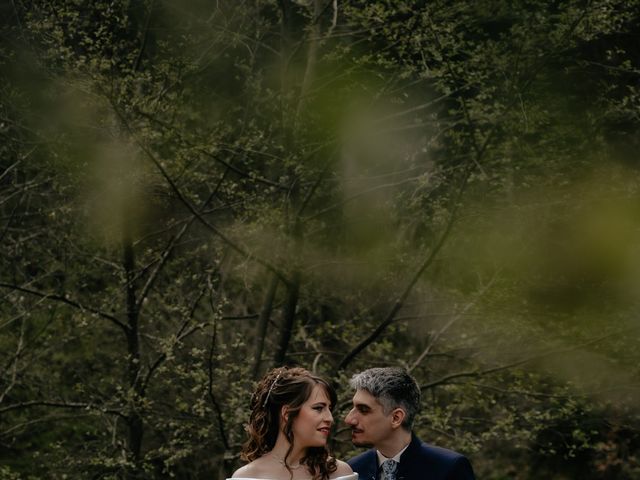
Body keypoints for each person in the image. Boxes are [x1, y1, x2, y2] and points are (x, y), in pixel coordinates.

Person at [344, 367, 475, 480]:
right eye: (353, 407)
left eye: (363, 410)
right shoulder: (353, 470)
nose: (349, 419)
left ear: (396, 418)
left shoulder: (449, 468)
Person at [231, 366, 356, 480]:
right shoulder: (248, 477)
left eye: (329, 409)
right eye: (318, 408)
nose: (330, 418)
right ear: (287, 413)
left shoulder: (339, 473)